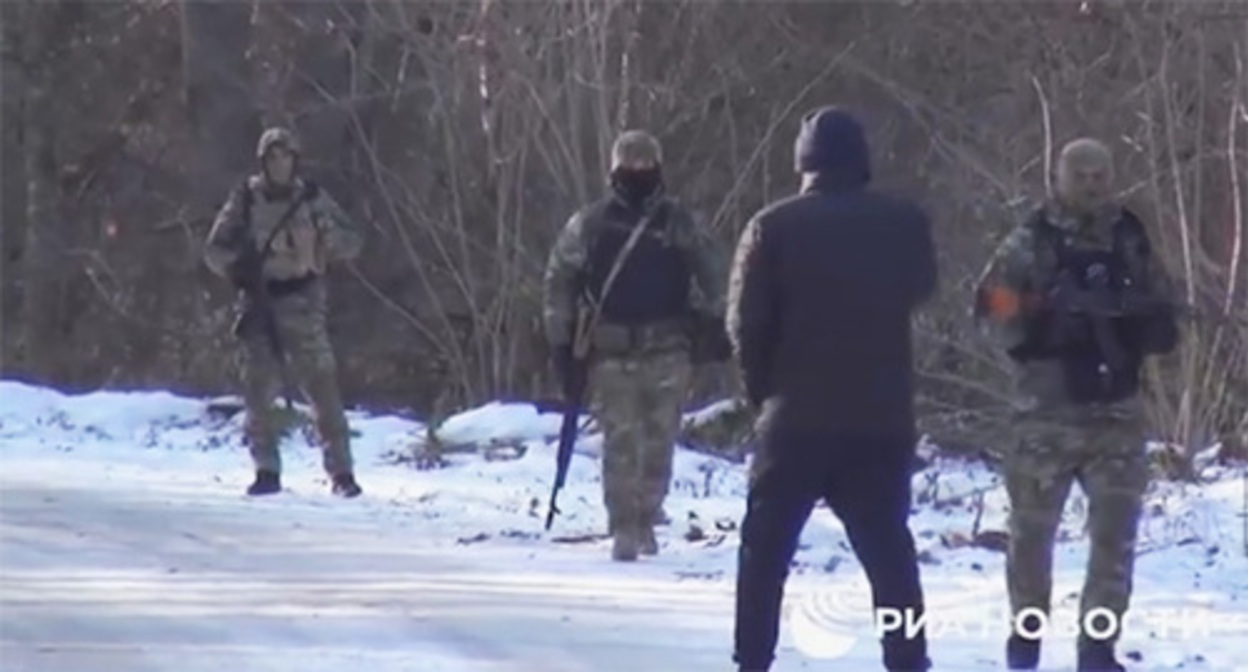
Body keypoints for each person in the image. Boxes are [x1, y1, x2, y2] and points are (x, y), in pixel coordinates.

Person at [726, 106, 937, 672]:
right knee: (890, 552)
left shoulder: (772, 226)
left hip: (794, 415)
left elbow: (746, 324)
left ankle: (752, 660)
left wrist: (764, 395)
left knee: (765, 552)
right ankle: (908, 659)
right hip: (881, 415)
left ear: (804, 161)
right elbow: (921, 288)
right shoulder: (904, 222)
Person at [973, 137, 1179, 671]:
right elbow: (990, 308)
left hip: (1117, 416)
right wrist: (1040, 323)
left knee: (1115, 538)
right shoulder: (1030, 240)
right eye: (1080, 175)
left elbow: (1163, 304)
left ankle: (1098, 646)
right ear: (1058, 178)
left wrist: (1147, 323)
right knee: (1031, 535)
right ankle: (1026, 636)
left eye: (1100, 175)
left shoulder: (1129, 237)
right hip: (1046, 418)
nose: (1091, 185)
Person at [542, 129, 727, 561]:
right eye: (631, 166)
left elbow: (715, 273)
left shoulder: (678, 222)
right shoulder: (591, 223)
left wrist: (720, 325)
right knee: (621, 441)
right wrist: (561, 343)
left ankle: (646, 519)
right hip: (611, 348)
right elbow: (559, 280)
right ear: (616, 170)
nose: (639, 173)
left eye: (645, 166)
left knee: (659, 441)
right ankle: (625, 526)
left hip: (669, 347)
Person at [203, 127, 365, 498]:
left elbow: (352, 242)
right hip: (261, 303)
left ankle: (341, 473)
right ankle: (266, 470)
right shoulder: (245, 199)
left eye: (286, 157)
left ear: (295, 160)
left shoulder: (312, 198)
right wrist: (239, 269)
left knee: (323, 390)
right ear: (263, 162)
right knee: (258, 392)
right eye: (273, 158)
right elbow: (214, 250)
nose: (279, 164)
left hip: (304, 301)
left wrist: (326, 238)